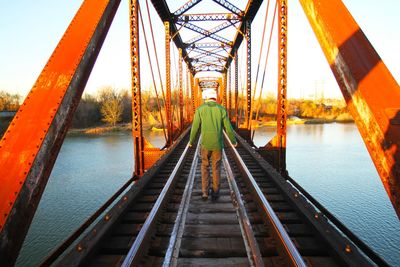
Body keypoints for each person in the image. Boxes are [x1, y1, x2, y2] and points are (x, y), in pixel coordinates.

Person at [189, 88, 237, 201]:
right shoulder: (221, 109)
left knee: (204, 167)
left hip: (205, 144)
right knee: (216, 168)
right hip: (217, 145)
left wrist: (191, 141)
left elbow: (195, 127)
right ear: (215, 97)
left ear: (205, 97)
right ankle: (215, 193)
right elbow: (228, 128)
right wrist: (233, 141)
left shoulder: (200, 109)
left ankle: (205, 192)